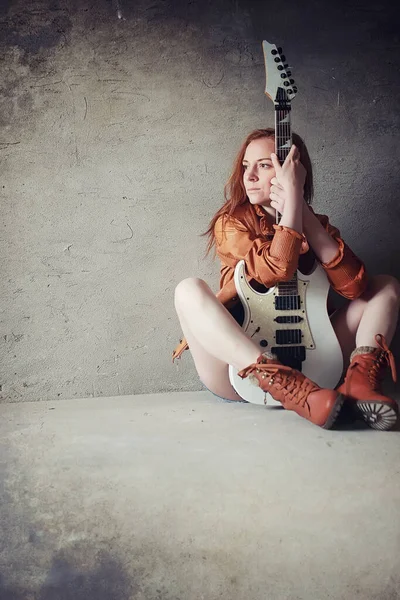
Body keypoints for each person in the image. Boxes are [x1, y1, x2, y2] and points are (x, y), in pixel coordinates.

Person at [172, 128, 399, 431]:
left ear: (294, 173)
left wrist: (301, 210)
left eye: (263, 165)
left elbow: (355, 286)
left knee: (385, 286)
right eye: (245, 166)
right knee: (187, 289)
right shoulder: (231, 223)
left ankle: (358, 385)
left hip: (317, 362)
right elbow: (275, 268)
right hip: (238, 370)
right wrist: (291, 207)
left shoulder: (319, 226)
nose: (248, 176)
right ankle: (283, 382)